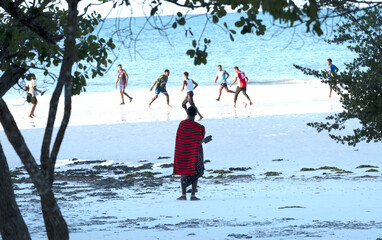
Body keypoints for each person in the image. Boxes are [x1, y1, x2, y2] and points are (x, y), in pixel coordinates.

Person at [173, 106, 211, 201]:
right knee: (195, 171)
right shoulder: (198, 127)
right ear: (195, 114)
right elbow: (198, 141)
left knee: (184, 171)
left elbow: (180, 139)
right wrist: (205, 140)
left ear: (187, 113)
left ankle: (183, 195)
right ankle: (193, 195)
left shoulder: (181, 124)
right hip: (195, 152)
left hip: (183, 151)